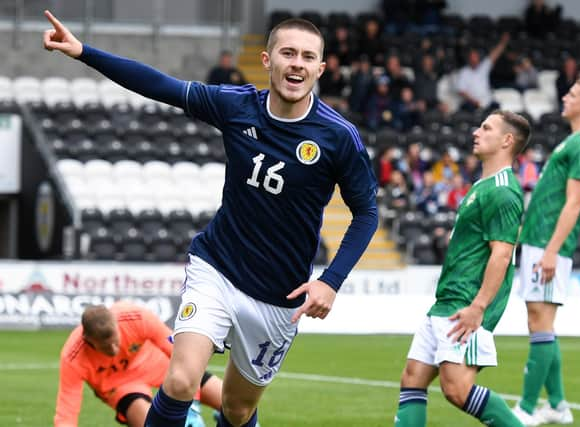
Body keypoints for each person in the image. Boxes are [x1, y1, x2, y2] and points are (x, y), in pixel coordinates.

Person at [44, 11, 378, 427]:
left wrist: (331, 280)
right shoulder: (235, 105)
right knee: (182, 380)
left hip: (280, 296)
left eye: (308, 57)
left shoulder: (338, 137)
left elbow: (366, 213)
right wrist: (84, 52)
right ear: (267, 59)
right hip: (217, 267)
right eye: (288, 53)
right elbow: (160, 85)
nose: (297, 63)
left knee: (237, 409)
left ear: (321, 68)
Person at [393, 110, 531, 427]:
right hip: (449, 299)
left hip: (466, 303)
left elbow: (502, 254)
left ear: (507, 140)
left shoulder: (502, 190)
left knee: (456, 389)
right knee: (412, 378)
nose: (476, 132)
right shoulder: (483, 185)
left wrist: (478, 307)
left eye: (486, 128)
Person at [513, 79, 580, 426]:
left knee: (541, 320)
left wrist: (550, 251)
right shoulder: (574, 141)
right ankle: (556, 404)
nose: (564, 98)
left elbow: (574, 204)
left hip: (549, 246)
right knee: (539, 321)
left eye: (571, 95)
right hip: (539, 240)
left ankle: (525, 408)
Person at [54, 302, 223, 427]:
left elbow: (179, 352)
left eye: (116, 341)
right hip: (120, 386)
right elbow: (67, 414)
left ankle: (223, 417)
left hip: (155, 364)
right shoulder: (73, 357)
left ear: (117, 325)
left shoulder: (136, 317)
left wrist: (192, 404)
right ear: (88, 340)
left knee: (233, 402)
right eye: (105, 347)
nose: (114, 349)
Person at [456, 33, 510, 112]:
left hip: (487, 102)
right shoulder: (464, 72)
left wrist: (503, 42)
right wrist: (475, 102)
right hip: (472, 104)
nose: (475, 59)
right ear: (468, 58)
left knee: (498, 110)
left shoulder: (483, 67)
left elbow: (494, 55)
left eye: (476, 57)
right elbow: (461, 91)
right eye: (472, 57)